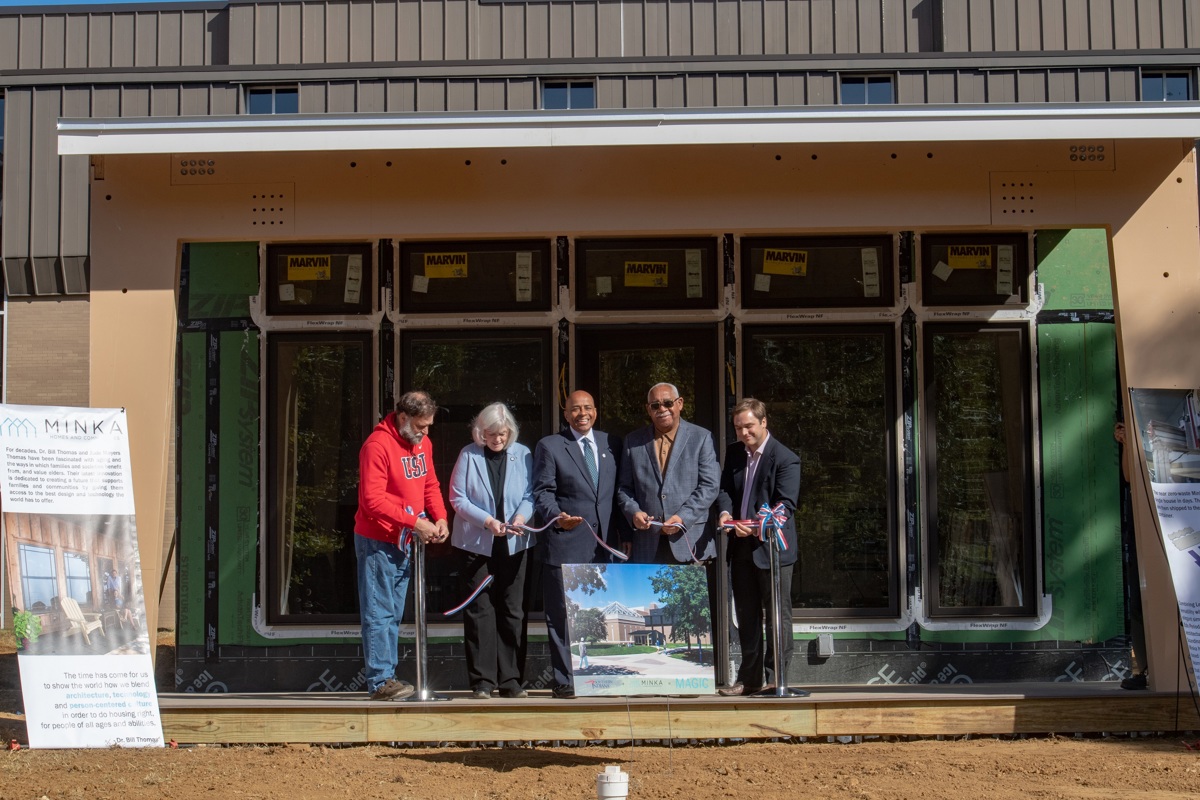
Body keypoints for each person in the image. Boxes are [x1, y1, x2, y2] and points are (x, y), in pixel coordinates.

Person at [354, 390, 449, 701]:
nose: (425, 432)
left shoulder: (423, 443)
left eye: (429, 426)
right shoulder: (377, 445)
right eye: (421, 426)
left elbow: (430, 484)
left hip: (404, 540)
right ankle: (381, 680)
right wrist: (415, 523)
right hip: (378, 540)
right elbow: (372, 501)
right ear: (403, 417)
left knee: (392, 612)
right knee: (379, 611)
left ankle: (387, 677)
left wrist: (440, 517)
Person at [533, 389, 622, 699]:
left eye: (588, 407)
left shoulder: (612, 444)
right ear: (566, 413)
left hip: (604, 546)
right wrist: (557, 516)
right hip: (566, 542)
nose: (582, 413)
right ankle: (566, 681)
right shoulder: (551, 446)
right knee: (563, 617)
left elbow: (618, 494)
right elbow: (542, 492)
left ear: (595, 410)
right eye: (575, 409)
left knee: (597, 615)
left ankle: (598, 679)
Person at [715, 398, 802, 696]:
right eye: (738, 427)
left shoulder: (785, 458)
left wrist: (753, 525)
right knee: (747, 614)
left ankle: (776, 677)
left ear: (764, 422)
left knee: (777, 614)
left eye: (749, 426)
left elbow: (785, 505)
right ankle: (749, 679)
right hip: (739, 548)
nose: (744, 433)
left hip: (772, 550)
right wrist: (726, 514)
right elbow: (725, 489)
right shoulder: (735, 453)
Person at [449, 402, 536, 700]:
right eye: (490, 434)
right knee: (479, 611)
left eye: (502, 433)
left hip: (514, 543)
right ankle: (483, 682)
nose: (497, 439)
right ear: (480, 432)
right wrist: (488, 522)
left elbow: (530, 495)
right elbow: (457, 499)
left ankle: (511, 680)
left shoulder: (523, 454)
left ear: (509, 431)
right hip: (476, 545)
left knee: (512, 610)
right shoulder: (468, 455)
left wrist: (520, 518)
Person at [617, 382, 720, 564]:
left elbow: (710, 485)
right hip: (648, 542)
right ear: (648, 409)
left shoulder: (701, 437)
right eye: (655, 405)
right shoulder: (633, 441)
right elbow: (624, 488)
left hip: (689, 540)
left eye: (668, 403)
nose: (662, 409)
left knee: (688, 594)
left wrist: (682, 517)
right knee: (646, 593)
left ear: (680, 403)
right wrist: (634, 513)